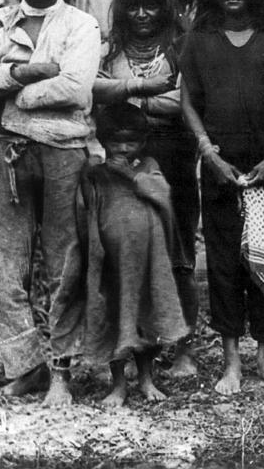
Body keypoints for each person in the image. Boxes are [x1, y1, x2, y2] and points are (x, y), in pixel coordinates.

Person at [0, 0, 101, 405]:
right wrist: (27, 72)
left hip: (64, 152)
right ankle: (26, 365)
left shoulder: (81, 25)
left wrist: (12, 96)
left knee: (66, 262)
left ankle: (62, 370)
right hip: (9, 156)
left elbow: (77, 90)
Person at [179, 0, 264, 395]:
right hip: (218, 168)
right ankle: (231, 363)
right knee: (225, 261)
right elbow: (188, 99)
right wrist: (208, 152)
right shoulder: (198, 40)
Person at [92, 0, 200, 376]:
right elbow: (91, 91)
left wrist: (129, 97)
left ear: (165, 7)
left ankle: (183, 349)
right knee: (126, 249)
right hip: (121, 160)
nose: (142, 14)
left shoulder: (181, 48)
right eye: (133, 5)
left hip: (174, 156)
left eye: (151, 4)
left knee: (179, 250)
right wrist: (150, 92)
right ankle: (130, 349)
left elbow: (188, 105)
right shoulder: (108, 51)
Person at [74, 103, 189, 406]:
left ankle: (147, 379)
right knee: (116, 317)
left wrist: (130, 175)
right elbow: (86, 208)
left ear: (143, 141)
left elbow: (162, 193)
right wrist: (90, 171)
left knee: (146, 316)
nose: (124, 148)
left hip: (148, 261)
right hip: (112, 262)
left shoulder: (147, 165)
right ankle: (119, 384)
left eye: (132, 141)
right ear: (102, 140)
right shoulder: (97, 172)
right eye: (116, 141)